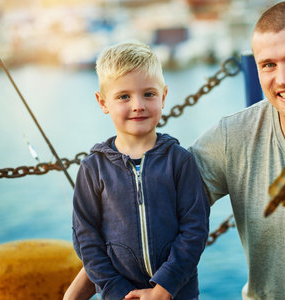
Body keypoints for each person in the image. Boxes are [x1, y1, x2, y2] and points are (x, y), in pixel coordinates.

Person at [65, 2, 285, 299]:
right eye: (268, 64)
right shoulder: (232, 136)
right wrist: (78, 293)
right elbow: (152, 206)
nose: (283, 78)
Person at [70, 40, 210, 300]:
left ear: (164, 97)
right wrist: (116, 290)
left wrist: (164, 289)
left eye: (149, 94)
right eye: (124, 96)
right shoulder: (93, 169)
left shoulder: (180, 161)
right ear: (103, 102)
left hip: (176, 293)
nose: (138, 105)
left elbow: (195, 229)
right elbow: (86, 239)